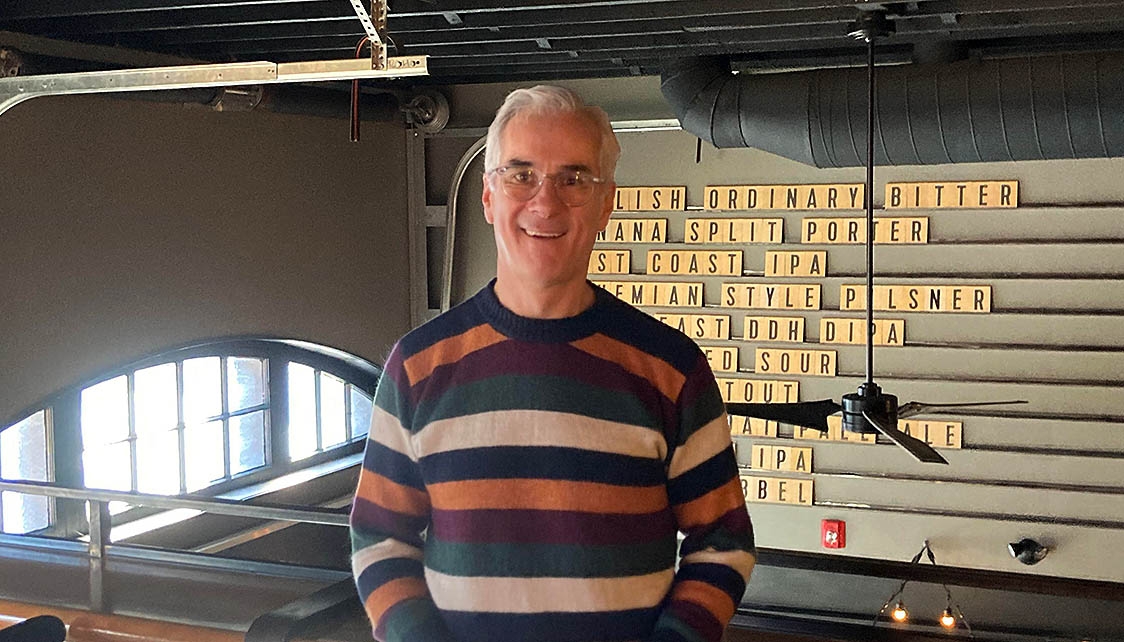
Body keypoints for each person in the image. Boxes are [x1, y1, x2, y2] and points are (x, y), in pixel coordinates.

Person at [350, 85, 755, 642]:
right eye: (521, 175)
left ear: (606, 203)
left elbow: (723, 543)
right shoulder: (418, 367)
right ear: (488, 196)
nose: (545, 203)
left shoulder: (671, 368)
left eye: (574, 179)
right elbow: (379, 539)